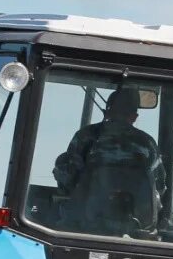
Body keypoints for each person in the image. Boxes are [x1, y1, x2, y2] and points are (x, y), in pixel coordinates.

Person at [53, 84, 166, 236]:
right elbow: (158, 186)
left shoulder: (86, 137)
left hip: (84, 227)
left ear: (108, 111)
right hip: (137, 229)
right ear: (134, 117)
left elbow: (68, 177)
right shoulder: (147, 143)